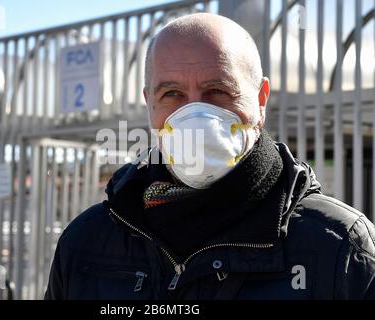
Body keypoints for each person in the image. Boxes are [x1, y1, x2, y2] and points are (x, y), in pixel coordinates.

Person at [45, 13, 375, 300]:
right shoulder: (86, 244)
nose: (195, 114)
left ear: (260, 100)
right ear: (150, 104)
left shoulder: (340, 249)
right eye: (172, 93)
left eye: (217, 91)